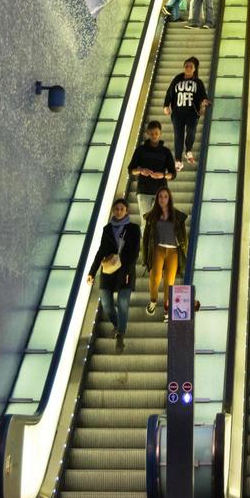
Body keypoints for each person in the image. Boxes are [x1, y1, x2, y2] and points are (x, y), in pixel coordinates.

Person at [86, 198, 140, 351]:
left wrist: (128, 272)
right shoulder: (107, 229)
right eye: (116, 209)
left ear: (126, 211)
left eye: (122, 209)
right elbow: (101, 251)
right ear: (113, 211)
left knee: (123, 304)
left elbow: (135, 253)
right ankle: (118, 326)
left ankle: (121, 334)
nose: (119, 211)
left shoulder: (134, 229)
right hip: (108, 270)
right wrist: (92, 271)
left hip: (125, 270)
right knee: (107, 304)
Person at [141, 187, 188, 319]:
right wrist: (145, 257)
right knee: (155, 277)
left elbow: (183, 236)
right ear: (157, 199)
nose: (162, 199)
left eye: (165, 196)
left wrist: (184, 251)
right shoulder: (152, 216)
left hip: (173, 251)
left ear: (169, 198)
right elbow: (145, 239)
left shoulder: (177, 216)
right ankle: (153, 300)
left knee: (169, 281)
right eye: (160, 196)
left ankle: (167, 310)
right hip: (158, 249)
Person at [163, 57, 210, 171]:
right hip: (178, 113)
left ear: (194, 69)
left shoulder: (198, 82)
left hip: (192, 113)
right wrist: (166, 105)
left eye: (191, 67)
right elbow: (169, 92)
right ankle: (178, 160)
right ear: (184, 67)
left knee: (191, 133)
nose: (188, 68)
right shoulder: (177, 79)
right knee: (178, 136)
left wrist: (203, 104)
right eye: (186, 66)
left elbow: (203, 96)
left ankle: (188, 150)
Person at [128, 120, 177, 216]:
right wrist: (140, 171)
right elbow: (130, 170)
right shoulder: (140, 150)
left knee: (160, 221)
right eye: (151, 134)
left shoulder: (165, 152)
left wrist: (162, 175)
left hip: (161, 192)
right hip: (143, 190)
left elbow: (173, 174)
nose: (154, 136)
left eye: (156, 133)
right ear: (147, 133)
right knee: (146, 221)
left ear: (160, 133)